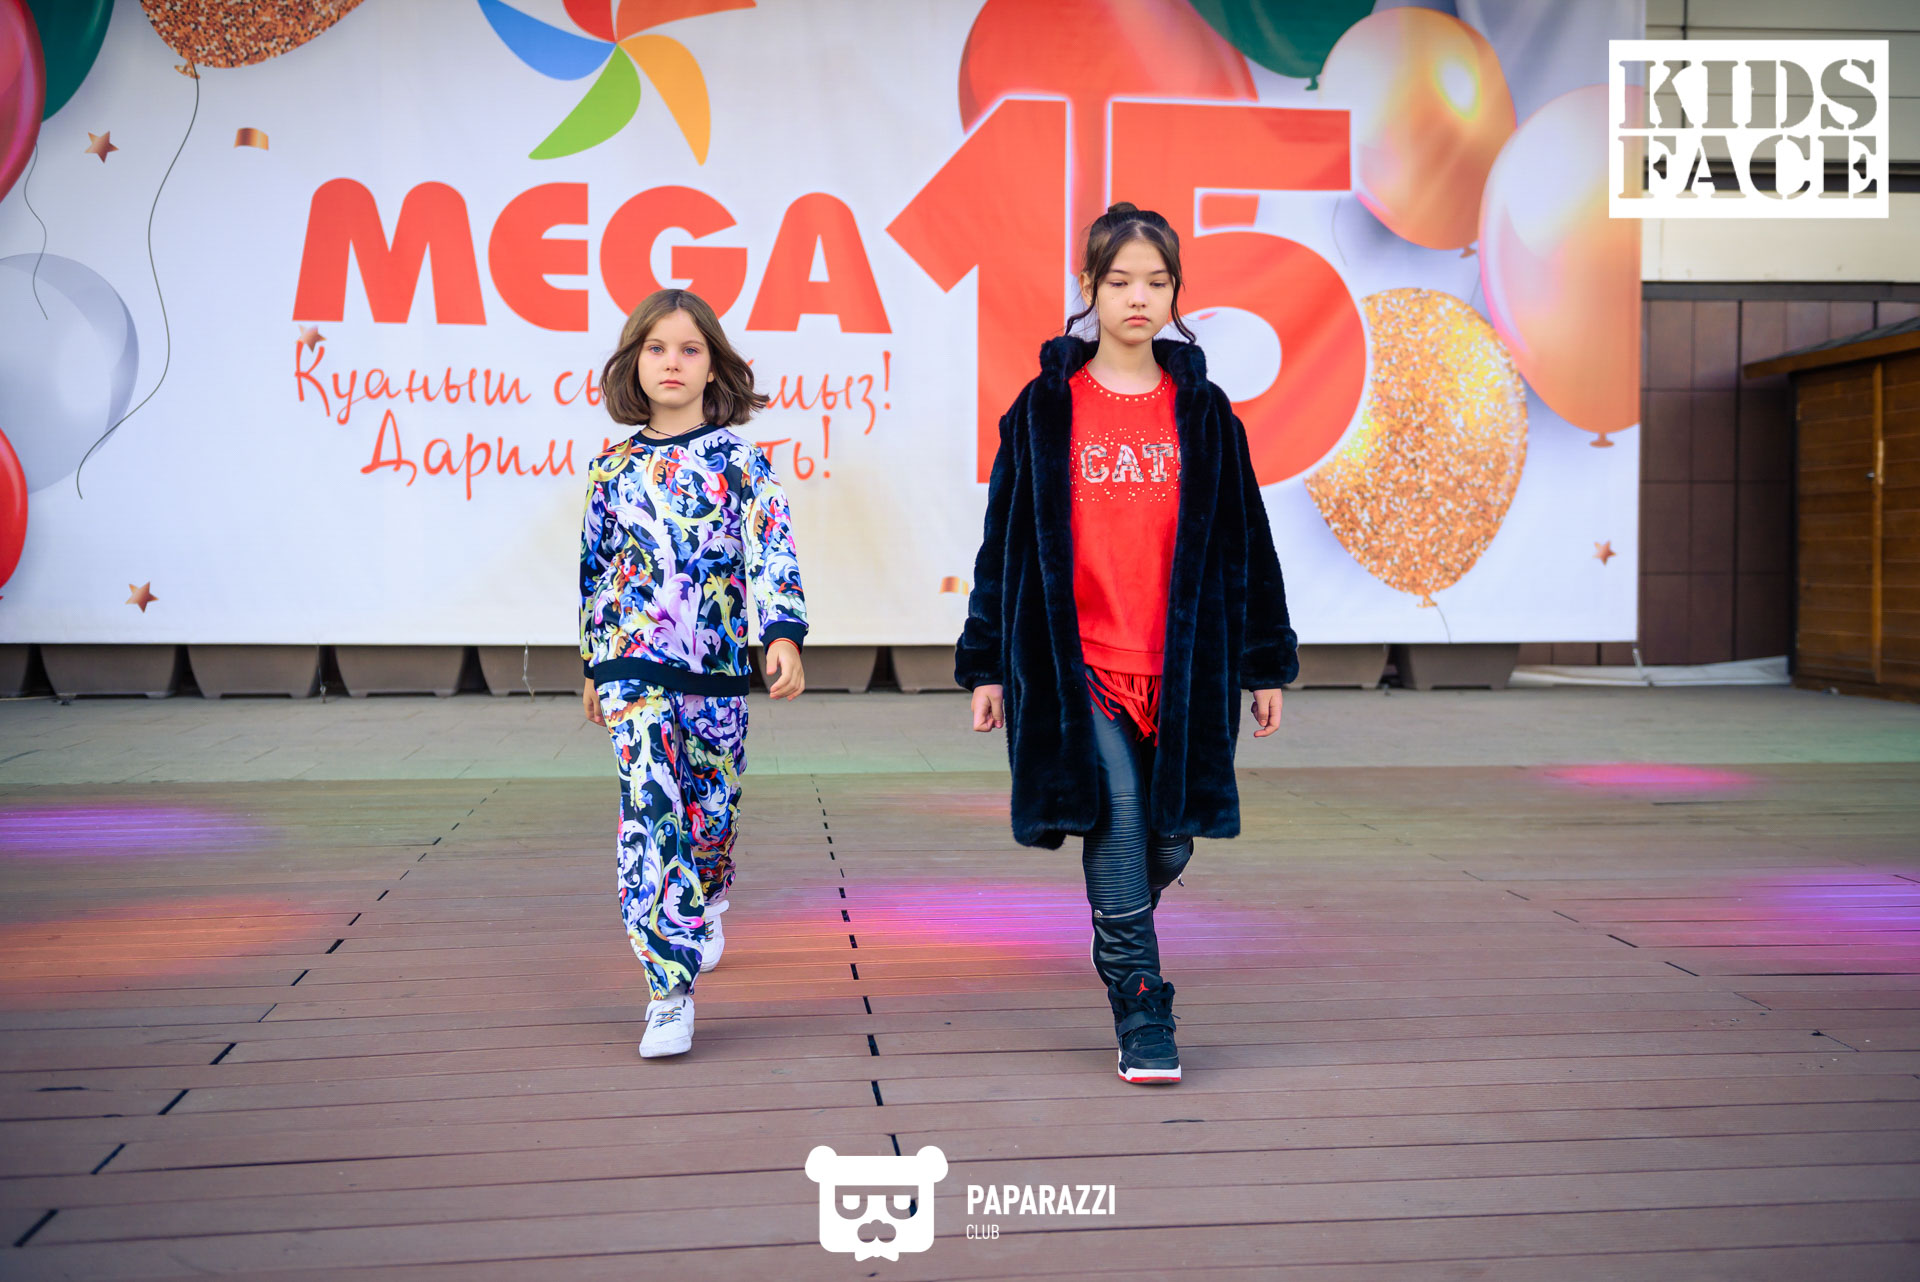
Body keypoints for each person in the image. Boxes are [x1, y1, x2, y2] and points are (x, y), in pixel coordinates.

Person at [957, 203, 1297, 1084]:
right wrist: (986, 662)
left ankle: (1119, 918)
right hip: (1074, 666)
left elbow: (1247, 542)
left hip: (1185, 669)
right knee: (1114, 814)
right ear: (1089, 288)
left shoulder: (1207, 413)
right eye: (1119, 282)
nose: (1138, 298)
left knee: (1168, 839)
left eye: (1157, 282)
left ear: (1176, 291)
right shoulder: (1043, 409)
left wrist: (1264, 663)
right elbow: (1004, 542)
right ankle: (1142, 1004)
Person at [579, 288, 807, 1059]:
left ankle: (705, 897)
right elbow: (595, 571)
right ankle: (667, 990)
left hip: (715, 671)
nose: (670, 362)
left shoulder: (741, 463)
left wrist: (782, 633)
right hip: (629, 663)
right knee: (651, 809)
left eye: (688, 349)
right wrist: (594, 663)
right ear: (633, 362)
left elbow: (772, 548)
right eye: (655, 348)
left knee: (708, 818)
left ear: (714, 367)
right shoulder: (610, 469)